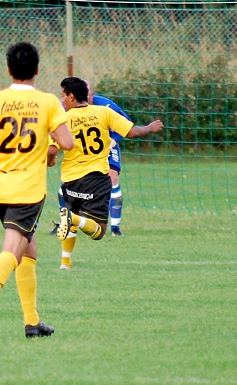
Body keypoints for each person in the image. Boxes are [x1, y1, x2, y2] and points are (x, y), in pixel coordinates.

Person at [0, 41, 74, 340]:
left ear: (9, 69)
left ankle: (32, 322)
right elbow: (67, 143)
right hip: (27, 190)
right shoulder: (49, 102)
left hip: (0, 188)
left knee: (29, 247)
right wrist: (50, 150)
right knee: (12, 250)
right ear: (37, 70)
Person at [49, 77, 164, 269]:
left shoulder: (62, 120)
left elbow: (53, 150)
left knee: (72, 216)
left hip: (69, 180)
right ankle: (72, 219)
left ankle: (65, 263)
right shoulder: (104, 112)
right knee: (99, 231)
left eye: (63, 96)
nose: (62, 101)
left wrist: (49, 158)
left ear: (71, 96)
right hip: (96, 179)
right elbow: (132, 132)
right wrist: (150, 128)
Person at [50, 80, 131, 237]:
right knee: (68, 187)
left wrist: (113, 140)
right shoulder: (66, 110)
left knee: (112, 177)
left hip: (107, 145)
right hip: (79, 156)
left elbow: (126, 123)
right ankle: (65, 253)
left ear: (92, 95)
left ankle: (116, 227)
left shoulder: (104, 107)